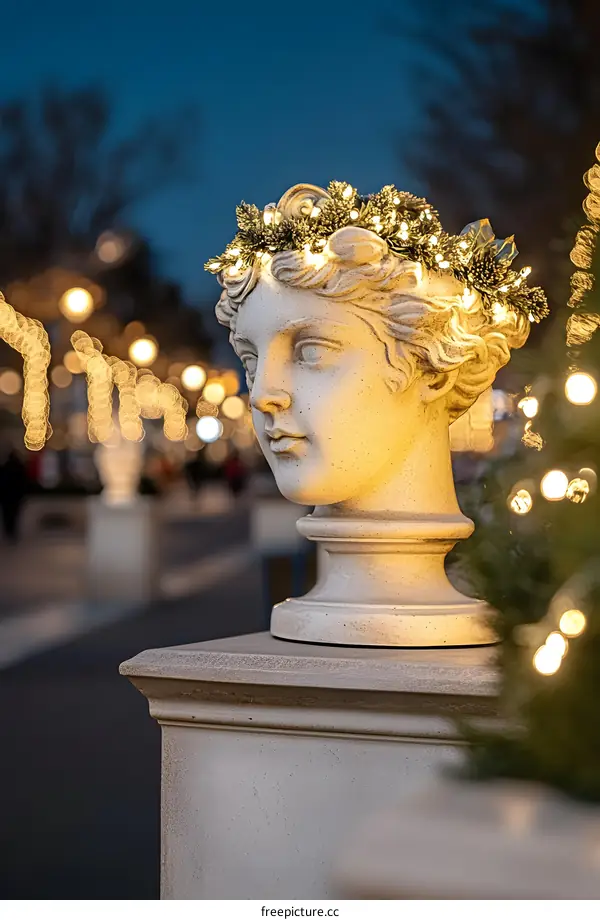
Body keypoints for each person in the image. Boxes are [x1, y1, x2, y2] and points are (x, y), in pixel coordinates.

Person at [0, 447, 29, 542]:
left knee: (7, 514)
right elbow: (24, 482)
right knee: (14, 514)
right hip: (16, 496)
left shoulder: (4, 467)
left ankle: (8, 530)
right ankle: (12, 531)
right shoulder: (20, 467)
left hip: (6, 496)